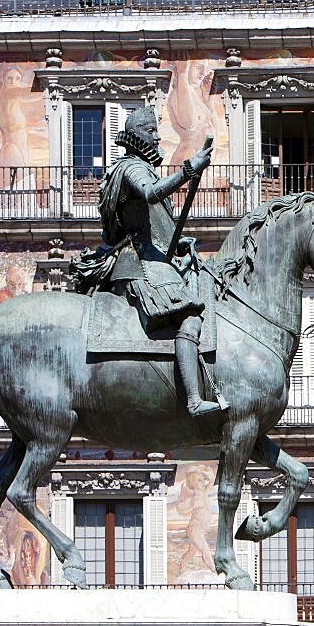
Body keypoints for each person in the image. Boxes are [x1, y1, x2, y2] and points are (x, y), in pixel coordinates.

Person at [97, 105, 220, 418]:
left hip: (153, 258)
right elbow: (150, 193)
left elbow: (155, 224)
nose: (156, 137)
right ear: (135, 133)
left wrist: (177, 243)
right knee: (190, 317)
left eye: (156, 130)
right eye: (150, 131)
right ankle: (193, 400)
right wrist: (187, 170)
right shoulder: (130, 168)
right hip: (139, 263)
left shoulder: (140, 166)